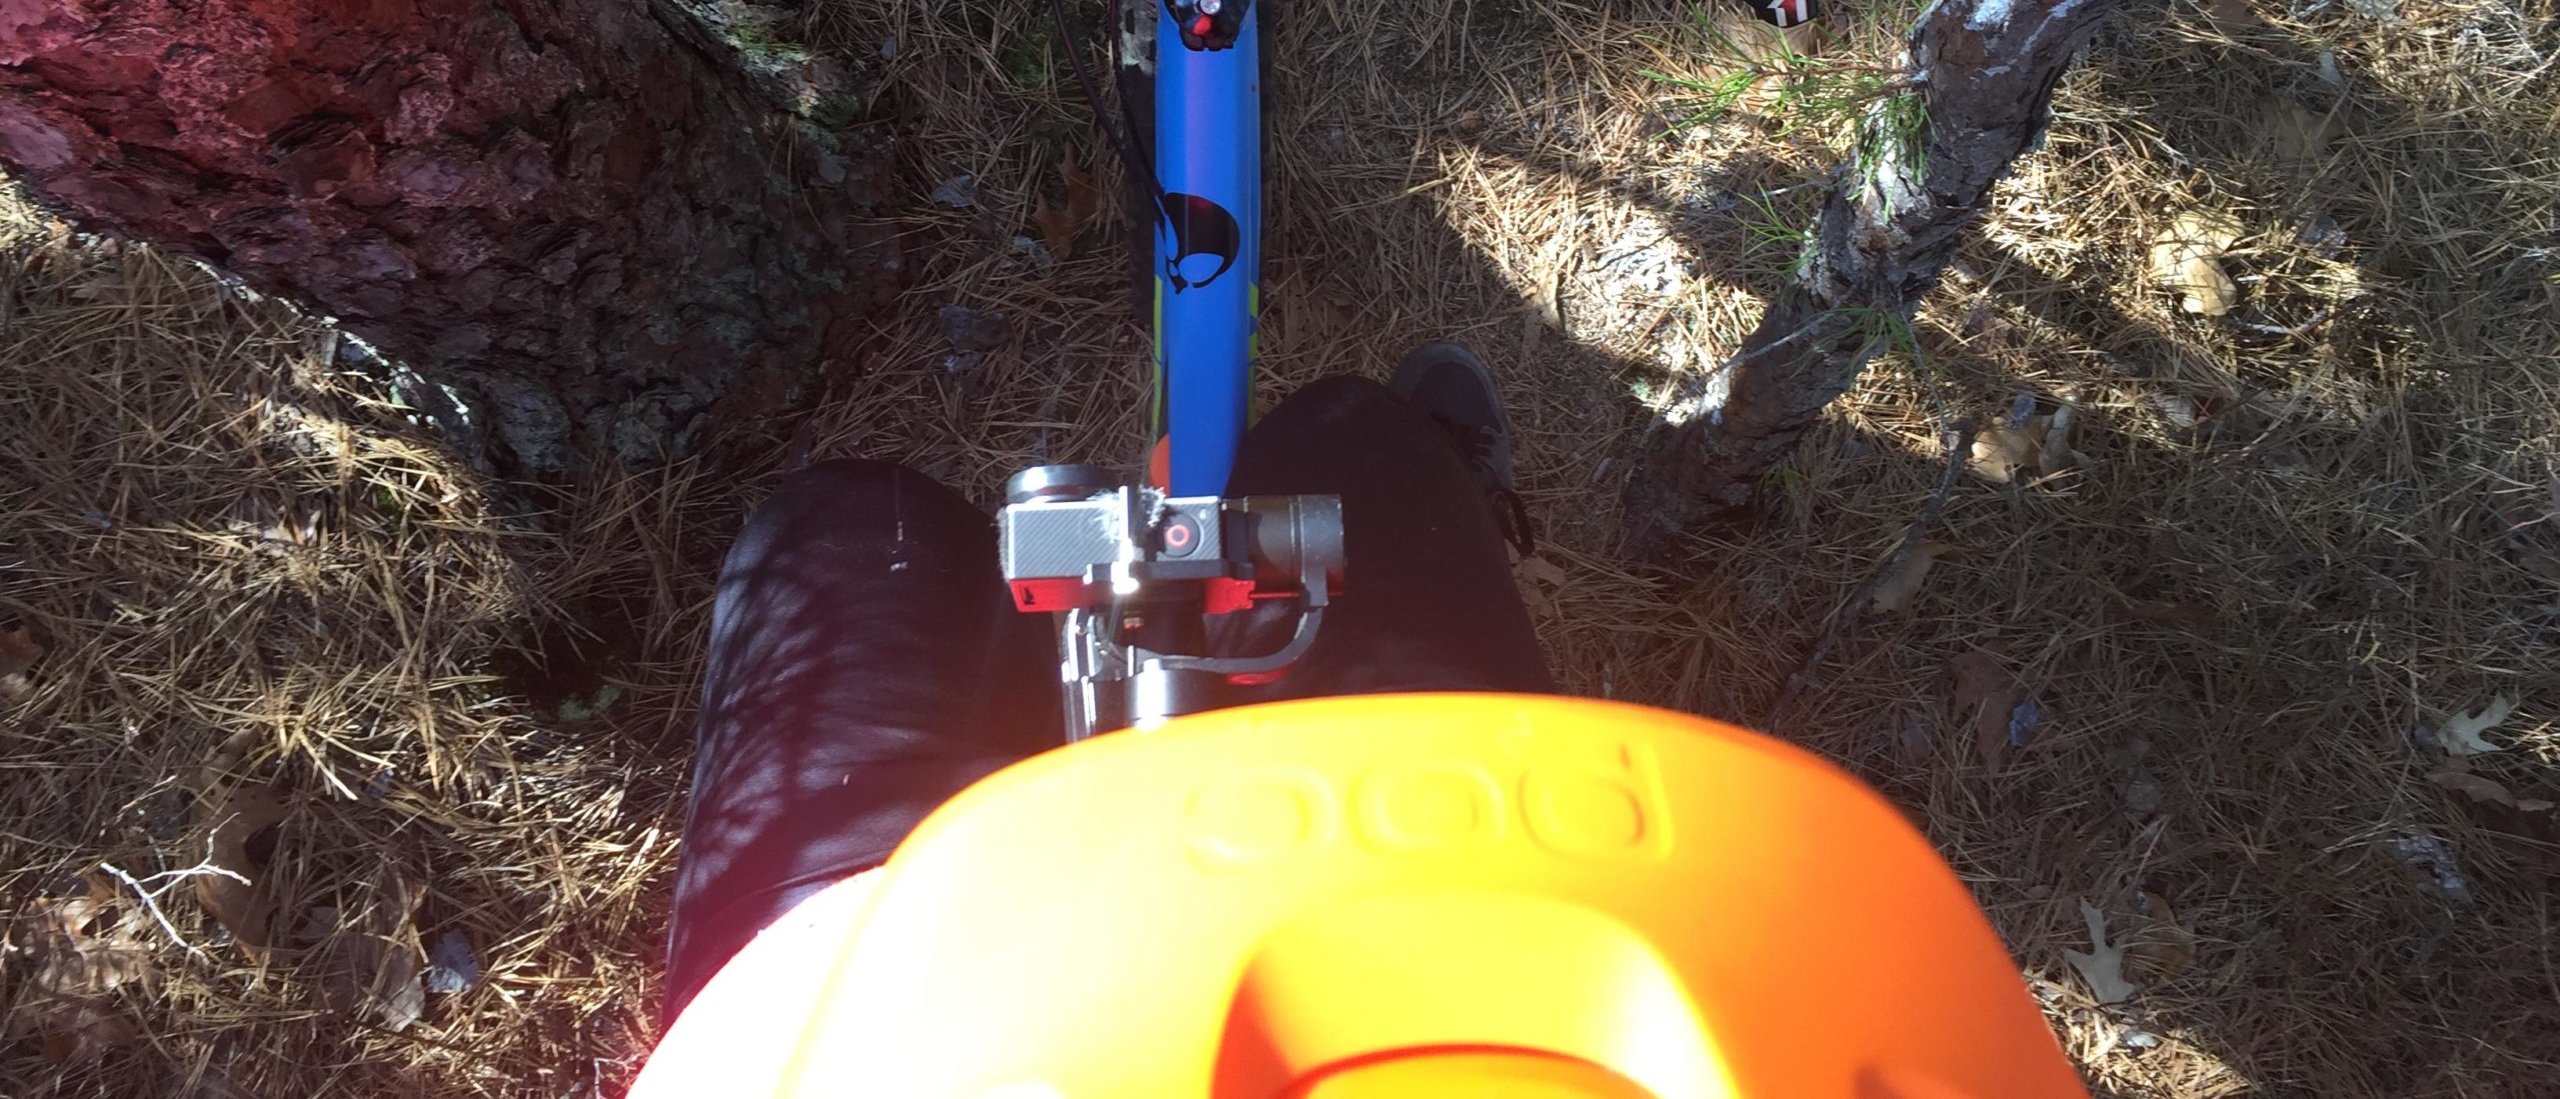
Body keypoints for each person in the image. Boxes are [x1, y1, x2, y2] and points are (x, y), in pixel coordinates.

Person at [630, 348, 2087, 1098]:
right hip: (1486, 933)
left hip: (859, 1017)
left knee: (846, 525)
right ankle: (1409, 465)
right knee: (1350, 446)